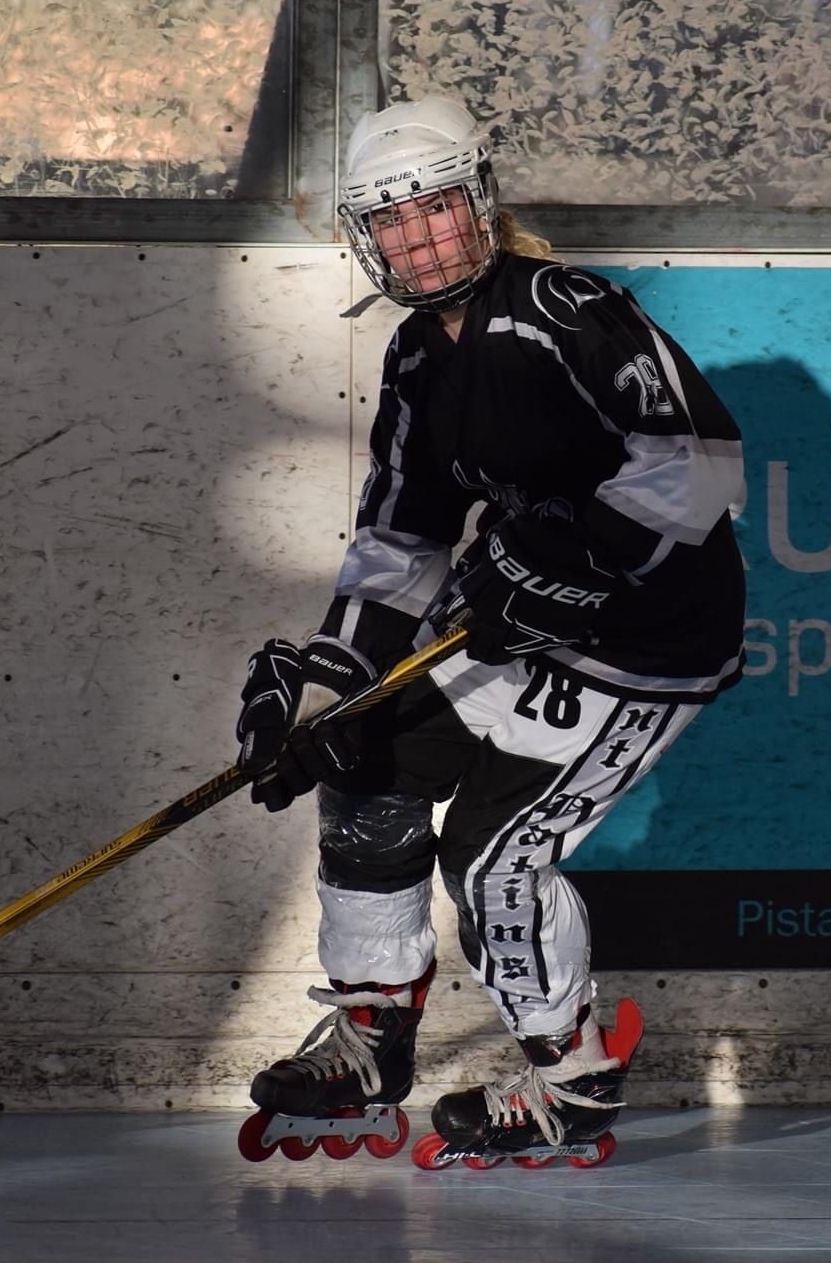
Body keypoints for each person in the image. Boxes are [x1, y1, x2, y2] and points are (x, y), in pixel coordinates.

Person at [231, 95, 746, 1165]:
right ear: (362, 240)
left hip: (645, 641)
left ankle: (573, 1073)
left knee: (491, 859)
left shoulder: (567, 310)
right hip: (517, 620)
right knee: (362, 758)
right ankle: (371, 1028)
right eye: (388, 223)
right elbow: (402, 534)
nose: (415, 241)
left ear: (480, 204)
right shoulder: (420, 361)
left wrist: (574, 560)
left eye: (434, 211)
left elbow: (697, 464)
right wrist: (333, 682)